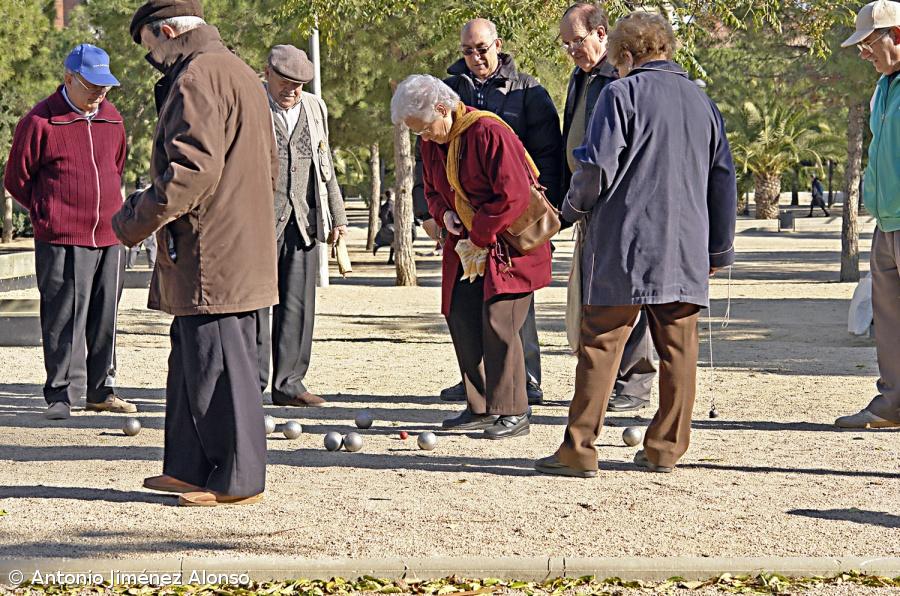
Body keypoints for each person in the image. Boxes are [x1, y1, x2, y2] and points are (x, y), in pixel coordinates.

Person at [535, 11, 736, 477]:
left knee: (601, 344)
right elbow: (722, 177)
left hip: (626, 244)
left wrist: (569, 210)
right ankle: (665, 448)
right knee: (679, 351)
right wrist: (718, 251)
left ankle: (580, 449)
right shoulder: (702, 102)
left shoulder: (619, 93)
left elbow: (597, 167)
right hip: (686, 248)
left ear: (624, 55)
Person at [112, 0, 278, 506]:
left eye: (150, 49)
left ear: (167, 31)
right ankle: (189, 468)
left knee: (221, 365)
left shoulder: (199, 76)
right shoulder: (237, 71)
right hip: (227, 244)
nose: (153, 61)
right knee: (192, 363)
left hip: (213, 250)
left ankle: (237, 479)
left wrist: (134, 217)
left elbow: (193, 171)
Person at [392, 74, 552, 439]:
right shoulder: (432, 142)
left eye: (425, 129)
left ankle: (514, 410)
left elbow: (512, 196)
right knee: (460, 315)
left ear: (443, 109)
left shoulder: (488, 132)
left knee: (500, 322)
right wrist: (442, 214)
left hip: (508, 247)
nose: (424, 137)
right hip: (466, 246)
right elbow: (432, 189)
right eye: (416, 133)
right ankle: (479, 405)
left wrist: (479, 233)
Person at [415, 18, 562, 406]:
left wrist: (544, 215)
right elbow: (430, 165)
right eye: (468, 50)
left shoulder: (528, 90)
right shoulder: (449, 90)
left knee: (510, 314)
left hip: (513, 218)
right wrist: (433, 211)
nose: (476, 57)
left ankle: (523, 382)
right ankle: (481, 391)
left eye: (482, 48)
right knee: (469, 311)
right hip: (468, 219)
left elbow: (546, 157)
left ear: (498, 44)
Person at [4, 44, 136, 420]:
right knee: (62, 319)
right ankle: (60, 394)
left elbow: (117, 167)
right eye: (92, 85)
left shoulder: (112, 118)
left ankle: (102, 390)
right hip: (61, 237)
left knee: (105, 316)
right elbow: (17, 180)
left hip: (110, 237)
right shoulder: (40, 121)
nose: (100, 94)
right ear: (68, 79)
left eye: (105, 86)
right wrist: (48, 212)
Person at [558, 2, 658, 413]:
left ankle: (634, 385)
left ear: (601, 33)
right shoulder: (579, 79)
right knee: (597, 296)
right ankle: (607, 379)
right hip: (589, 205)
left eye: (577, 41)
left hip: (621, 203)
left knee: (634, 293)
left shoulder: (621, 79)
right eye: (565, 45)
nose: (572, 51)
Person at [254, 44, 348, 408]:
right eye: (286, 81)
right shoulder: (252, 104)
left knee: (298, 306)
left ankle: (289, 383)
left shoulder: (314, 107)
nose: (293, 90)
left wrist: (337, 217)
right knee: (258, 306)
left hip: (304, 221)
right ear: (267, 73)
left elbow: (325, 166)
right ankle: (254, 383)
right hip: (259, 223)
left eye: (300, 83)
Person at [835, 0, 900, 429]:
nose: (863, 53)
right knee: (890, 322)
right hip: (887, 222)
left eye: (869, 43)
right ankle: (892, 405)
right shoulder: (882, 88)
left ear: (897, 35)